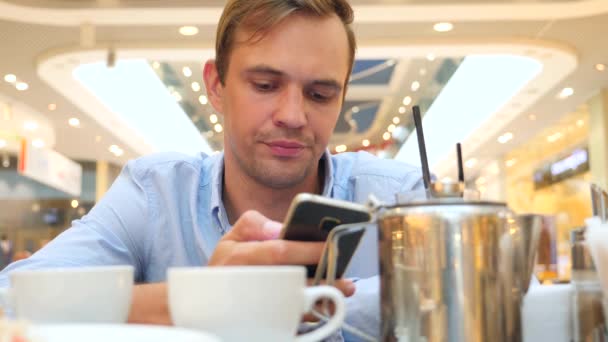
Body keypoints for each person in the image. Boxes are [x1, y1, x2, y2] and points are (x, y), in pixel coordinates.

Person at [0, 0, 423, 340]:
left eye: (320, 93)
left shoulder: (400, 199)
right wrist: (203, 301)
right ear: (217, 86)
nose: (293, 115)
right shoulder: (155, 193)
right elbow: (10, 302)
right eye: (265, 85)